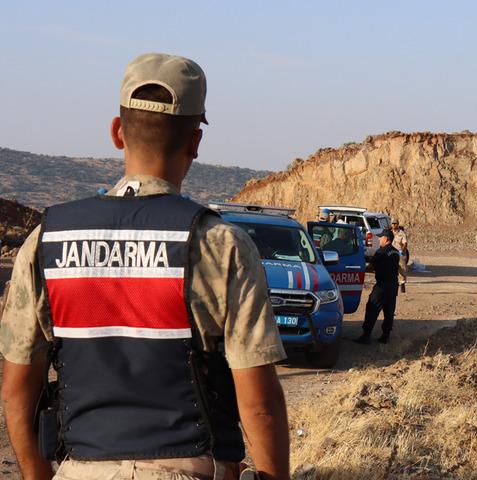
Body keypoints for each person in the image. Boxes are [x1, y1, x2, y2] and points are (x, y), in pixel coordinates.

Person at [0, 53, 290, 480]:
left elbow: (16, 391)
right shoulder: (221, 244)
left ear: (118, 132)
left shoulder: (46, 241)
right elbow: (259, 403)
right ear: (195, 142)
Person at [355, 229, 401, 344]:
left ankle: (366, 336)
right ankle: (386, 335)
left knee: (372, 308)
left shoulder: (381, 252)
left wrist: (362, 268)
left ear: (386, 239)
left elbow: (370, 267)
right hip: (393, 285)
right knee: (389, 311)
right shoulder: (396, 252)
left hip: (382, 286)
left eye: (381, 237)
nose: (379, 239)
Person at [391, 219, 409, 292]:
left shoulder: (402, 233)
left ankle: (402, 284)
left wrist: (402, 250)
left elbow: (405, 243)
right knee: (391, 269)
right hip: (391, 253)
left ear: (398, 224)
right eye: (393, 224)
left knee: (402, 269)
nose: (394, 225)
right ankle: (393, 283)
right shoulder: (389, 232)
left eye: (395, 224)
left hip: (400, 254)